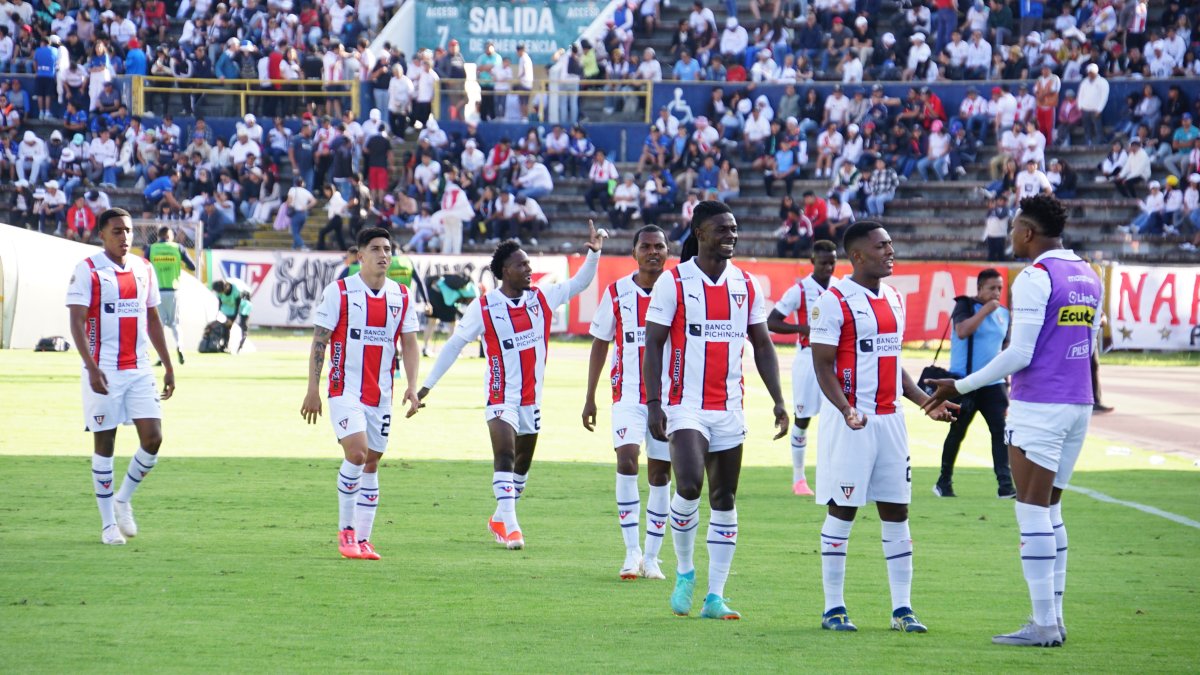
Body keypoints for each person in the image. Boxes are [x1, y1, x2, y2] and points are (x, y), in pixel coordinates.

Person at [923, 195, 1103, 647]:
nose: (1011, 235)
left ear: (1028, 231)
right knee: (1051, 511)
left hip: (1039, 404)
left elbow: (1020, 353)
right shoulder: (1088, 273)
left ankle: (1042, 625)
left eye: (1014, 227)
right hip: (1078, 403)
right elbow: (1096, 340)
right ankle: (1054, 621)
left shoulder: (1035, 277)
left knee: (1030, 512)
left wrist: (957, 386)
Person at [642, 200, 789, 620]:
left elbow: (762, 345)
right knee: (688, 485)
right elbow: (652, 344)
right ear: (700, 233)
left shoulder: (746, 284)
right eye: (722, 229)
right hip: (684, 405)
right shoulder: (674, 283)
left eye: (734, 229)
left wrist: (778, 399)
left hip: (729, 407)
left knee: (724, 498)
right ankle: (685, 572)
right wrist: (654, 403)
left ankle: (715, 596)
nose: (731, 235)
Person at [809, 220, 958, 634]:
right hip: (852, 423)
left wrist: (926, 403)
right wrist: (845, 410)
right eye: (882, 246)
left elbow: (892, 364)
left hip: (890, 422)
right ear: (857, 255)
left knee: (898, 511)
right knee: (844, 509)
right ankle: (833, 608)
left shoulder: (893, 297)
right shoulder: (833, 300)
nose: (890, 251)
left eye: (891, 244)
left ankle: (903, 609)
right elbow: (822, 365)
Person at [418, 225, 606, 550]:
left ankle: (500, 517)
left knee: (521, 468)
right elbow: (452, 346)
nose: (529, 269)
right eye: (522, 265)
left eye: (529, 264)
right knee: (504, 452)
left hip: (532, 400)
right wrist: (425, 388)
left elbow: (580, 283)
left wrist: (594, 253)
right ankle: (513, 529)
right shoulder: (485, 307)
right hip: (500, 396)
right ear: (505, 271)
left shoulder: (542, 298)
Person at [301, 227, 421, 560]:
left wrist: (412, 385)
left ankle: (364, 539)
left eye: (388, 249)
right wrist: (313, 389)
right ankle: (346, 532)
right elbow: (320, 341)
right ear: (360, 255)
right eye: (376, 249)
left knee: (371, 463)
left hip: (381, 394)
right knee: (356, 454)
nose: (384, 255)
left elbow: (409, 344)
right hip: (344, 389)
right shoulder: (340, 292)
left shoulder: (401, 295)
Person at [65, 208, 176, 546]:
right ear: (102, 234)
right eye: (116, 231)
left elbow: (153, 318)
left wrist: (168, 365)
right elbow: (77, 322)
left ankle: (123, 498)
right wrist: (91, 366)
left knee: (153, 438)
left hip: (140, 368)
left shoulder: (144, 268)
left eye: (128, 231)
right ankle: (107, 525)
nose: (124, 237)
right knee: (105, 443)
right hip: (104, 370)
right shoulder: (87, 270)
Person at [583, 225, 673, 581]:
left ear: (667, 251)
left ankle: (652, 556)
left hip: (668, 399)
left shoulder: (678, 291)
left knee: (660, 473)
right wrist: (589, 397)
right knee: (626, 459)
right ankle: (630, 550)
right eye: (646, 246)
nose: (653, 251)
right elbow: (601, 342)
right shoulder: (618, 292)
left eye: (659, 246)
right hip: (627, 396)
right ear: (634, 252)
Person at [934, 269, 1015, 499]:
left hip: (995, 384)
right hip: (964, 382)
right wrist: (986, 311)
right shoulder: (966, 306)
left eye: (999, 288)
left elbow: (1005, 349)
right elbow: (962, 331)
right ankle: (943, 481)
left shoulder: (1005, 314)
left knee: (1000, 433)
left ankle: (1005, 486)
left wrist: (1007, 383)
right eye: (991, 288)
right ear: (979, 289)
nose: (996, 293)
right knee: (957, 432)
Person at [767, 240, 838, 496]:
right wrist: (802, 329)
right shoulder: (800, 290)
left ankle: (834, 475)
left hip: (836, 361)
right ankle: (799, 479)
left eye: (832, 261)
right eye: (823, 262)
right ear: (812, 261)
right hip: (808, 359)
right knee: (804, 418)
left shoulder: (842, 288)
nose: (829, 267)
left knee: (839, 417)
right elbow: (772, 322)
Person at [147, 226, 196, 366]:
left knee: (159, 325)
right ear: (170, 236)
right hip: (174, 290)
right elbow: (192, 266)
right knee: (175, 323)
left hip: (157, 291)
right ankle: (180, 346)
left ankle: (161, 357)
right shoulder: (178, 248)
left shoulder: (152, 248)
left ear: (159, 236)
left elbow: (144, 265)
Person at [210, 278, 253, 353]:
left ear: (226, 287)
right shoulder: (220, 291)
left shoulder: (237, 291)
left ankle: (241, 346)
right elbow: (220, 304)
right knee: (226, 326)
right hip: (230, 305)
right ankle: (224, 346)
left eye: (222, 292)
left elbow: (238, 306)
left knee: (242, 324)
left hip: (243, 304)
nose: (221, 293)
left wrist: (232, 320)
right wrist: (218, 315)